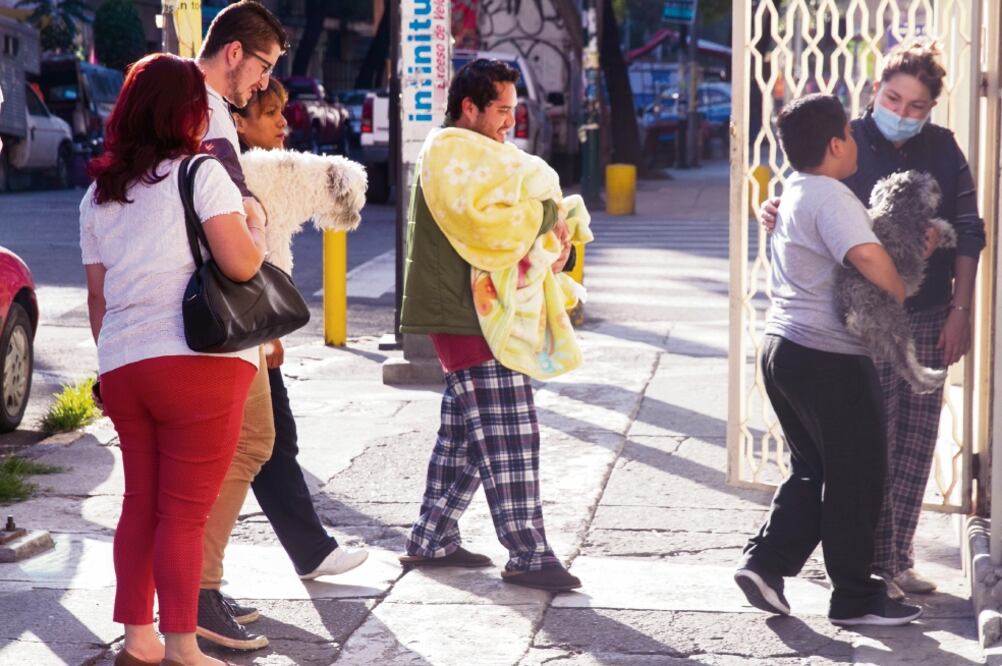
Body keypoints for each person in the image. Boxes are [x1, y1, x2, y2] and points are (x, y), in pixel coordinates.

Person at [759, 42, 985, 600]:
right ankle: (862, 569)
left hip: (930, 314)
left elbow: (970, 231)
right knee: (866, 446)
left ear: (931, 108)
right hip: (859, 320)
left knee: (914, 441)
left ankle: (895, 559)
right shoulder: (843, 142)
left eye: (917, 106)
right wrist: (773, 207)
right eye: (893, 99)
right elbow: (802, 193)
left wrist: (961, 310)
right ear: (874, 92)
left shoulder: (944, 149)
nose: (903, 113)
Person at [80, 53, 266, 666]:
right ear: (188, 110)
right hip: (198, 363)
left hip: (126, 365)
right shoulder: (201, 173)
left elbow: (98, 297)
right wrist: (256, 227)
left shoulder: (97, 195)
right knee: (185, 513)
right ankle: (184, 647)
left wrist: (109, 371)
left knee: (140, 504)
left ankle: (140, 639)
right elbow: (240, 265)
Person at [734, 93, 923, 627]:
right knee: (856, 474)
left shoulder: (792, 189)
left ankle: (765, 565)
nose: (857, 138)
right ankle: (854, 598)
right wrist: (899, 284)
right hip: (828, 357)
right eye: (849, 130)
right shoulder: (830, 195)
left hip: (784, 349)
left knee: (813, 469)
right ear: (836, 143)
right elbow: (863, 255)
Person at [397, 59, 580, 593]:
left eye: (513, 110)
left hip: (471, 308)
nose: (509, 122)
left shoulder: (468, 153)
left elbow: (504, 217)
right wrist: (547, 215)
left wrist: (548, 222)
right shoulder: (451, 151)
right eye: (501, 110)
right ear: (470, 107)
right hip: (468, 311)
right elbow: (491, 225)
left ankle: (431, 537)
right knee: (510, 434)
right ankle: (528, 554)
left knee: (465, 437)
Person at [230, 78, 369, 583]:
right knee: (264, 444)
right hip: (241, 334)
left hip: (248, 332)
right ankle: (305, 551)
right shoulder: (251, 170)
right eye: (269, 113)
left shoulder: (236, 171)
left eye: (283, 111)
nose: (283, 123)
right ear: (239, 122)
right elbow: (336, 182)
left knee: (266, 444)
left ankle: (308, 550)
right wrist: (267, 335)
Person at [191, 0, 286, 651]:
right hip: (216, 309)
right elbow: (220, 215)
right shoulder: (200, 106)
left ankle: (200, 583)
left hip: (216, 310)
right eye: (264, 67)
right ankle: (195, 589)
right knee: (250, 438)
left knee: (247, 440)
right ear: (234, 53)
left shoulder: (204, 106)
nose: (263, 84)